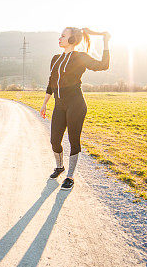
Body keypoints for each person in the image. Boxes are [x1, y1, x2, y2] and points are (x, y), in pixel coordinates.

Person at [39, 27, 111, 190]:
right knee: (54, 140)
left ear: (72, 40)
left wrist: (105, 42)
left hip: (76, 104)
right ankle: (59, 167)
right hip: (59, 105)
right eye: (60, 35)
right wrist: (45, 103)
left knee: (73, 139)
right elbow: (51, 81)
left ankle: (70, 176)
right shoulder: (55, 58)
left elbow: (103, 65)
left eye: (63, 36)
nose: (60, 38)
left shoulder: (80, 57)